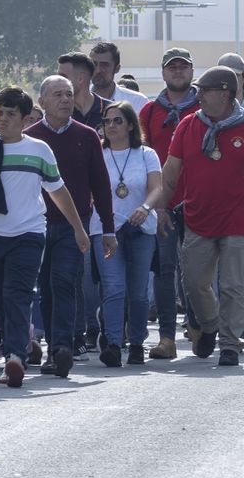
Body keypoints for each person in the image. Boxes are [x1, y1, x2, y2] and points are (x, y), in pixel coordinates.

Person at [0, 87, 90, 388]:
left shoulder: (39, 150)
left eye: (11, 114)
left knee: (17, 294)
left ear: (25, 120)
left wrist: (78, 228)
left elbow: (58, 191)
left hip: (29, 234)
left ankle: (14, 358)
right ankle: (17, 346)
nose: (4, 120)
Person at [25, 75, 117, 377]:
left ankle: (61, 348)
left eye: (68, 94)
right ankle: (53, 346)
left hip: (72, 226)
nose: (65, 99)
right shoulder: (29, 138)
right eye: (57, 95)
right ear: (42, 102)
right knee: (45, 290)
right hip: (34, 226)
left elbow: (101, 185)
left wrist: (107, 228)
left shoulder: (88, 135)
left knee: (64, 282)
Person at [160, 66, 244, 366]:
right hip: (197, 217)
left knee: (233, 286)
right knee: (195, 283)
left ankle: (230, 345)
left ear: (225, 94)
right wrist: (160, 207)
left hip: (238, 221)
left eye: (205, 91)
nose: (199, 96)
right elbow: (170, 172)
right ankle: (210, 325)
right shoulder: (187, 125)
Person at [138, 47, 201, 360]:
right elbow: (141, 157)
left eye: (183, 67)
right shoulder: (149, 112)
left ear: (192, 72)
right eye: (172, 67)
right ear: (163, 72)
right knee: (164, 272)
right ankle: (166, 338)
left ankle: (199, 327)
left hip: (199, 202)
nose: (177, 72)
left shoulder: (206, 108)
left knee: (197, 272)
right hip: (163, 203)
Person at [98, 101, 164, 365]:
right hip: (106, 228)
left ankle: (136, 342)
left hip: (140, 227)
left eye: (117, 120)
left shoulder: (146, 154)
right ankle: (113, 343)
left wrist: (145, 208)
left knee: (137, 292)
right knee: (113, 288)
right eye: (107, 121)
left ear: (130, 125)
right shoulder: (98, 153)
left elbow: (157, 188)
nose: (111, 126)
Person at [58, 51, 110, 133]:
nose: (58, 81)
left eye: (63, 77)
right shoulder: (58, 112)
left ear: (80, 78)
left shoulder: (110, 110)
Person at [90, 41, 148, 111]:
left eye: (104, 65)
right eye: (94, 64)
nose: (98, 70)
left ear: (117, 68)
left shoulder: (138, 102)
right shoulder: (76, 100)